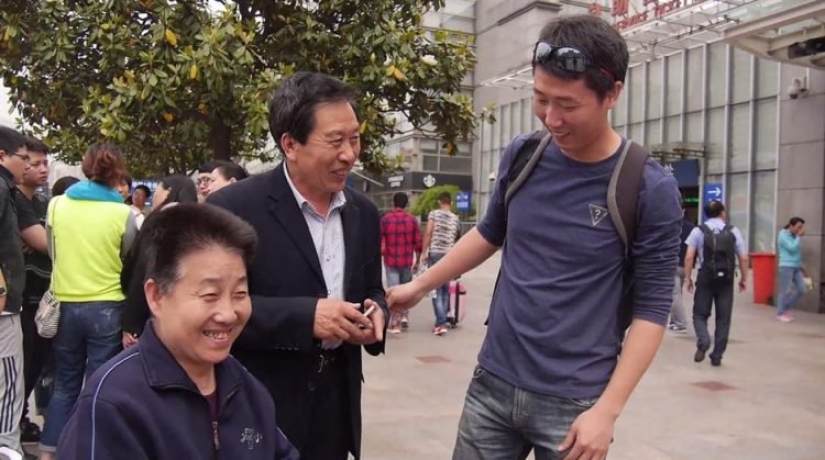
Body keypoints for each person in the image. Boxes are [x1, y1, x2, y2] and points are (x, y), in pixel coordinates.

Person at [388, 15, 682, 460]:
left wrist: (607, 411)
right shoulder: (524, 155)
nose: (552, 118)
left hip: (576, 402)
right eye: (541, 99)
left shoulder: (646, 187)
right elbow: (490, 232)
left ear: (612, 94)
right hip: (492, 383)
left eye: (567, 104)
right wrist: (420, 285)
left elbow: (653, 307)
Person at [207, 71, 387, 460]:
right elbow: (213, 310)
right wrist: (306, 317)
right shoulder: (233, 209)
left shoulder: (364, 213)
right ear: (290, 144)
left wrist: (377, 314)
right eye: (335, 141)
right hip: (262, 405)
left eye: (355, 138)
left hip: (336, 408)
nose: (349, 154)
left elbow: (373, 288)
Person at [56, 203, 298, 459]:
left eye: (240, 293)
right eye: (210, 295)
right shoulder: (113, 402)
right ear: (157, 296)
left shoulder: (245, 386)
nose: (228, 314)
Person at [38, 144, 138, 460]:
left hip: (64, 306)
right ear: (118, 171)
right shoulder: (123, 213)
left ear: (85, 167)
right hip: (107, 306)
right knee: (99, 385)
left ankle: (48, 453)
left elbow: (53, 250)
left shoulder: (57, 205)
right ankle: (88, 451)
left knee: (64, 385)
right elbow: (127, 256)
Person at [121, 175, 199, 344]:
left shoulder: (162, 221)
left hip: (157, 312)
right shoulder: (199, 222)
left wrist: (131, 323)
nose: (155, 195)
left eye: (158, 190)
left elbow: (142, 272)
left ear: (168, 192)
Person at [13, 137, 52, 445]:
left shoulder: (43, 202)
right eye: (34, 163)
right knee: (20, 367)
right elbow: (47, 243)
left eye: (44, 163)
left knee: (35, 364)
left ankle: (20, 420)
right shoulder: (14, 200)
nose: (41, 169)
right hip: (19, 299)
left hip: (44, 298)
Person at [684, 200, 748, 367]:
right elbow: (743, 257)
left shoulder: (698, 231)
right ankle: (717, 355)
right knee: (723, 318)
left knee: (699, 314)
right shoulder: (733, 231)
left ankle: (703, 340)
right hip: (726, 280)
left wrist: (688, 278)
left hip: (705, 277)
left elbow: (689, 256)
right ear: (723, 213)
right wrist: (744, 278)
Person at [0, 126, 29, 459]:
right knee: (8, 379)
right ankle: (7, 447)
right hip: (4, 306)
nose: (28, 165)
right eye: (23, 158)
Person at [380, 192, 421, 334]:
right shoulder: (412, 220)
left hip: (391, 260)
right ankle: (404, 317)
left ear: (394, 203)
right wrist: (418, 260)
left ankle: (395, 323)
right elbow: (418, 242)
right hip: (407, 261)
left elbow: (380, 240)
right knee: (406, 290)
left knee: (394, 291)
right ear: (406, 204)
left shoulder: (385, 220)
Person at [422, 192, 460, 336]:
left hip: (435, 253)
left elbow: (428, 233)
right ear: (451, 203)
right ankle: (442, 321)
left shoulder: (434, 214)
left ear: (440, 202)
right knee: (445, 289)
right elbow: (457, 238)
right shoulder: (455, 218)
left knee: (435, 290)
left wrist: (424, 252)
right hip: (449, 255)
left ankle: (440, 323)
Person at [668, 201, 695, 334]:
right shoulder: (691, 227)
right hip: (685, 265)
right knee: (677, 294)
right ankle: (674, 321)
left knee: (674, 294)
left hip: (672, 263)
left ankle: (680, 322)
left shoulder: (669, 225)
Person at [776, 217, 807, 322]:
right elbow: (792, 248)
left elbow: (797, 253)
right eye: (798, 227)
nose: (800, 229)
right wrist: (798, 237)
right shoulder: (783, 235)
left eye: (801, 227)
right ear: (791, 226)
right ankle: (780, 313)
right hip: (786, 266)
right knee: (785, 290)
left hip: (796, 266)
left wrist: (802, 267)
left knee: (802, 289)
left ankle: (785, 307)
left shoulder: (795, 236)